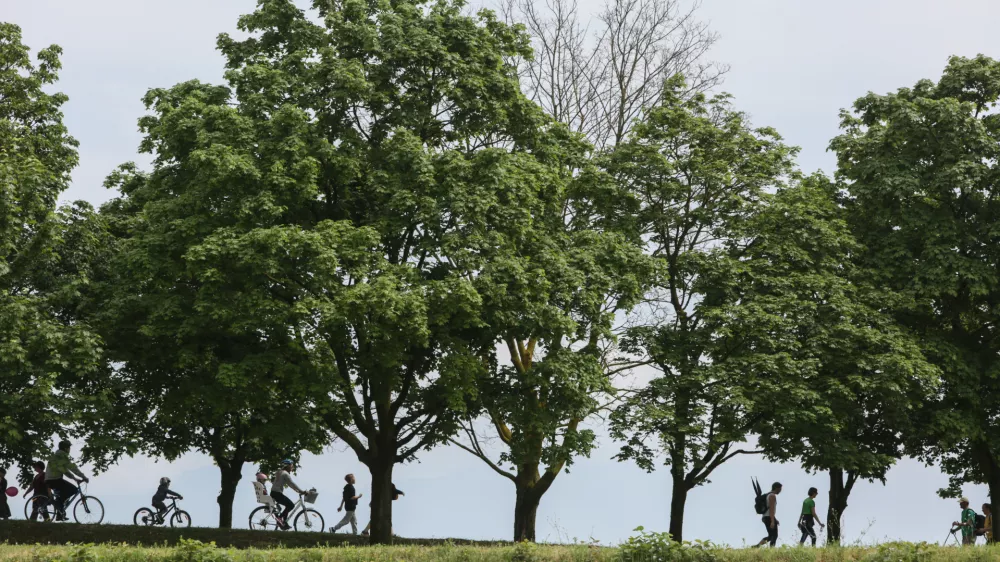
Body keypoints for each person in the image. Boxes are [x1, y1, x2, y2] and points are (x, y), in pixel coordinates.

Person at [45, 440, 89, 521]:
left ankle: (59, 514)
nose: (70, 449)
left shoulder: (56, 455)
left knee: (64, 494)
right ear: (66, 448)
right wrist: (83, 477)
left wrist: (74, 478)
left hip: (50, 479)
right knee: (73, 490)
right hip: (54, 480)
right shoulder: (62, 456)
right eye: (69, 447)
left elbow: (64, 470)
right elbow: (72, 468)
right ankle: (57, 504)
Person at [270, 460, 304, 530]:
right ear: (287, 466)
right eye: (291, 465)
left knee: (288, 505)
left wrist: (297, 490)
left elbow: (289, 484)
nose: (292, 467)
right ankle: (279, 518)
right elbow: (292, 484)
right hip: (277, 493)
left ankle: (284, 523)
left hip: (273, 492)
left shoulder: (279, 472)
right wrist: (301, 491)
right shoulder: (285, 474)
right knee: (291, 505)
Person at [754, 482, 782, 547]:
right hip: (769, 517)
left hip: (766, 517)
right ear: (776, 488)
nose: (780, 491)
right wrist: (772, 521)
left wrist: (775, 519)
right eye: (780, 489)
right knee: (774, 536)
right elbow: (771, 509)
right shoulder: (772, 496)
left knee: (771, 536)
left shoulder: (768, 495)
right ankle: (771, 549)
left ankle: (757, 546)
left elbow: (769, 509)